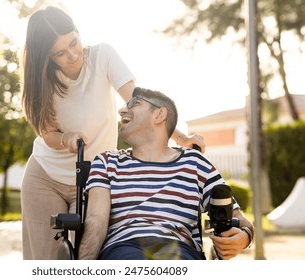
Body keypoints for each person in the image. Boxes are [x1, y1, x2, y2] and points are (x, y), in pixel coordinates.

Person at [20, 6, 205, 260]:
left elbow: (138, 102)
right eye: (60, 53)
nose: (73, 55)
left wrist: (180, 138)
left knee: (87, 254)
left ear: (78, 32)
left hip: (91, 179)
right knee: (43, 261)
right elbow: (46, 132)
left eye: (74, 42)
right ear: (47, 57)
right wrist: (66, 138)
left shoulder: (102, 56)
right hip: (45, 177)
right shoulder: (41, 79)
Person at [78, 87, 255, 260]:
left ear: (159, 115)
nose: (122, 110)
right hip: (125, 249)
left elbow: (241, 220)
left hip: (181, 251)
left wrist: (244, 237)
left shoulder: (195, 163)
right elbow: (96, 221)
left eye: (134, 104)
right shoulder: (106, 162)